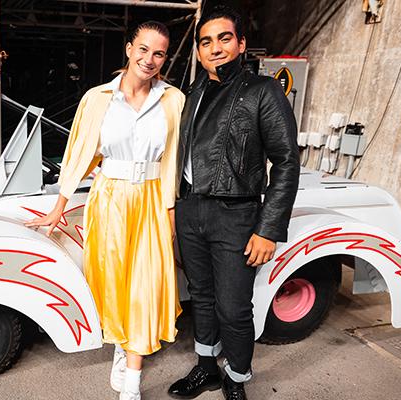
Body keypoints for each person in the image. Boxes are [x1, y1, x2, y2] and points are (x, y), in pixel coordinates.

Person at [25, 21, 185, 400]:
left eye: (159, 53)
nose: (149, 59)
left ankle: (131, 383)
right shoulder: (98, 97)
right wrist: (59, 206)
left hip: (151, 199)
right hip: (109, 198)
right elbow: (78, 151)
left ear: (165, 58)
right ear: (129, 49)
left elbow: (174, 161)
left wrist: (171, 213)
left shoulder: (173, 100)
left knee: (146, 285)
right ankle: (121, 343)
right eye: (143, 49)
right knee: (114, 283)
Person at [167, 5, 300, 400]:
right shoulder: (191, 93)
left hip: (236, 214)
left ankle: (237, 377)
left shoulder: (264, 91)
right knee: (201, 297)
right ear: (198, 51)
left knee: (234, 307)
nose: (216, 48)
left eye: (225, 38)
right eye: (206, 42)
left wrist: (268, 227)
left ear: (241, 44)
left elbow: (287, 161)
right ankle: (207, 368)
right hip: (191, 210)